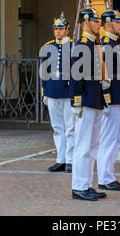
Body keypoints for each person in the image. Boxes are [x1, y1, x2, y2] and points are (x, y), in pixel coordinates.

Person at [70, 7, 108, 201]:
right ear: (86, 23)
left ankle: (86, 183)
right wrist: (76, 102)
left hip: (94, 98)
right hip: (85, 99)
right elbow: (76, 76)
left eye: (98, 21)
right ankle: (78, 186)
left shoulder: (93, 44)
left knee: (92, 145)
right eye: (95, 21)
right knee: (83, 145)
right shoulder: (82, 45)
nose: (98, 24)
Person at [97, 10, 120, 191]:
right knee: (108, 138)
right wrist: (106, 101)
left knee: (116, 138)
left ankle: (109, 175)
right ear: (108, 24)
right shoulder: (105, 45)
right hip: (112, 97)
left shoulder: (115, 43)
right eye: (118, 22)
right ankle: (104, 178)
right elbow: (103, 76)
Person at [41, 13, 75, 173]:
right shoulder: (48, 46)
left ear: (67, 30)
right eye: (56, 29)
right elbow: (44, 71)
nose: (58, 32)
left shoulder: (74, 46)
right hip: (52, 90)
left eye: (61, 29)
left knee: (70, 127)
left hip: (68, 91)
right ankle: (60, 159)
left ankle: (70, 160)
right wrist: (44, 92)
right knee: (57, 127)